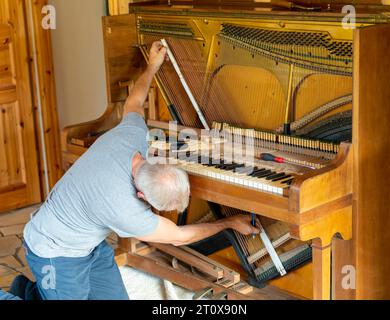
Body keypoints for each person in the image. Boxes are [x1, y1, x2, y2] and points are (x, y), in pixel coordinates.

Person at [22, 41, 259, 300]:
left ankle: (32, 292)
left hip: (88, 246)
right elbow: (179, 237)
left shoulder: (133, 136)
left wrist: (152, 67)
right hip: (53, 251)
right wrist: (229, 223)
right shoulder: (124, 208)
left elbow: (134, 103)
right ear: (141, 197)